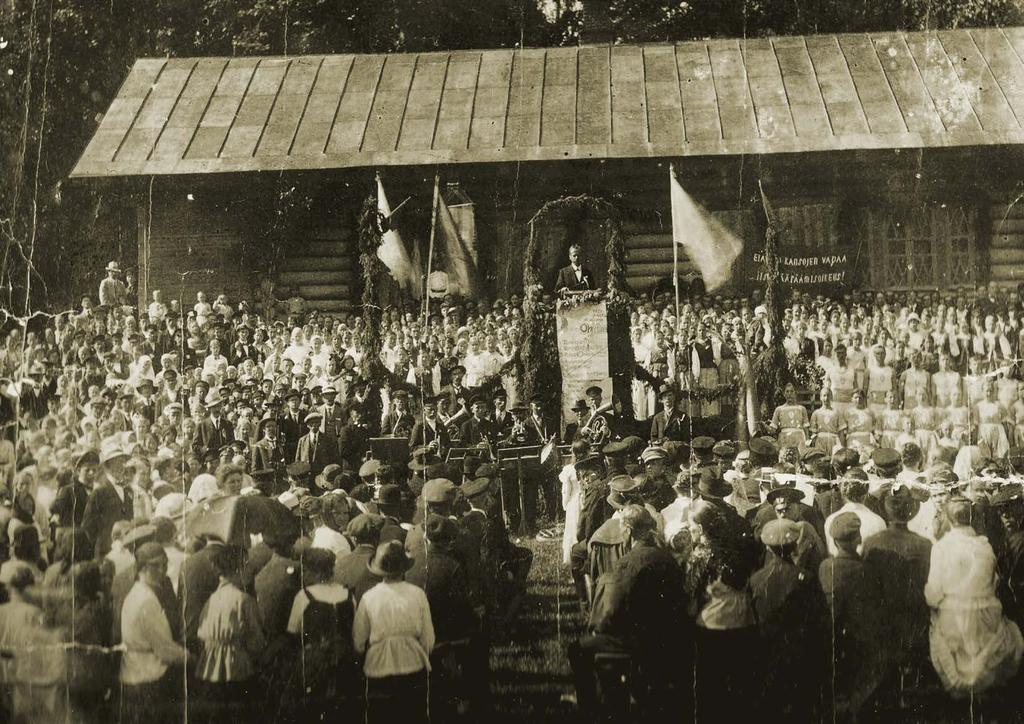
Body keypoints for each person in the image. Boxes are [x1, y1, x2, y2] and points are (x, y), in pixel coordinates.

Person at [567, 505, 692, 722]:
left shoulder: (625, 565)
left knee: (577, 649)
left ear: (627, 532)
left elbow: (607, 616)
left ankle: (589, 707)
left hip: (634, 641)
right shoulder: (668, 559)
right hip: (669, 637)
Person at [925, 496, 1024, 697]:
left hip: (954, 620)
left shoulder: (941, 547)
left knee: (937, 621)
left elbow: (933, 594)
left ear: (949, 519)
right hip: (986, 618)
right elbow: (993, 583)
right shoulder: (985, 547)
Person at [353, 540, 435, 724]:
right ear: (404, 568)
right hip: (412, 662)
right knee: (413, 714)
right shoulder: (417, 594)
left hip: (378, 666)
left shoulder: (369, 597)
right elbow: (428, 637)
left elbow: (359, 640)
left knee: (381, 715)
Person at [818, 512, 886, 720]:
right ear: (858, 539)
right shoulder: (864, 570)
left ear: (835, 541)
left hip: (833, 641)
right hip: (859, 640)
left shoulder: (825, 567)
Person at [119, 542, 188, 724]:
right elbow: (164, 649)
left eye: (164, 564)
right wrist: (191, 658)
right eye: (155, 565)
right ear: (142, 567)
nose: (162, 570)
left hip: (133, 675)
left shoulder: (136, 593)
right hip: (148, 680)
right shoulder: (146, 601)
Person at [195, 544, 266, 718]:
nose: (249, 570)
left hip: (208, 667)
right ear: (238, 568)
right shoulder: (243, 600)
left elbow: (202, 635)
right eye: (246, 565)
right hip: (237, 666)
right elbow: (257, 642)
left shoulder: (211, 599)